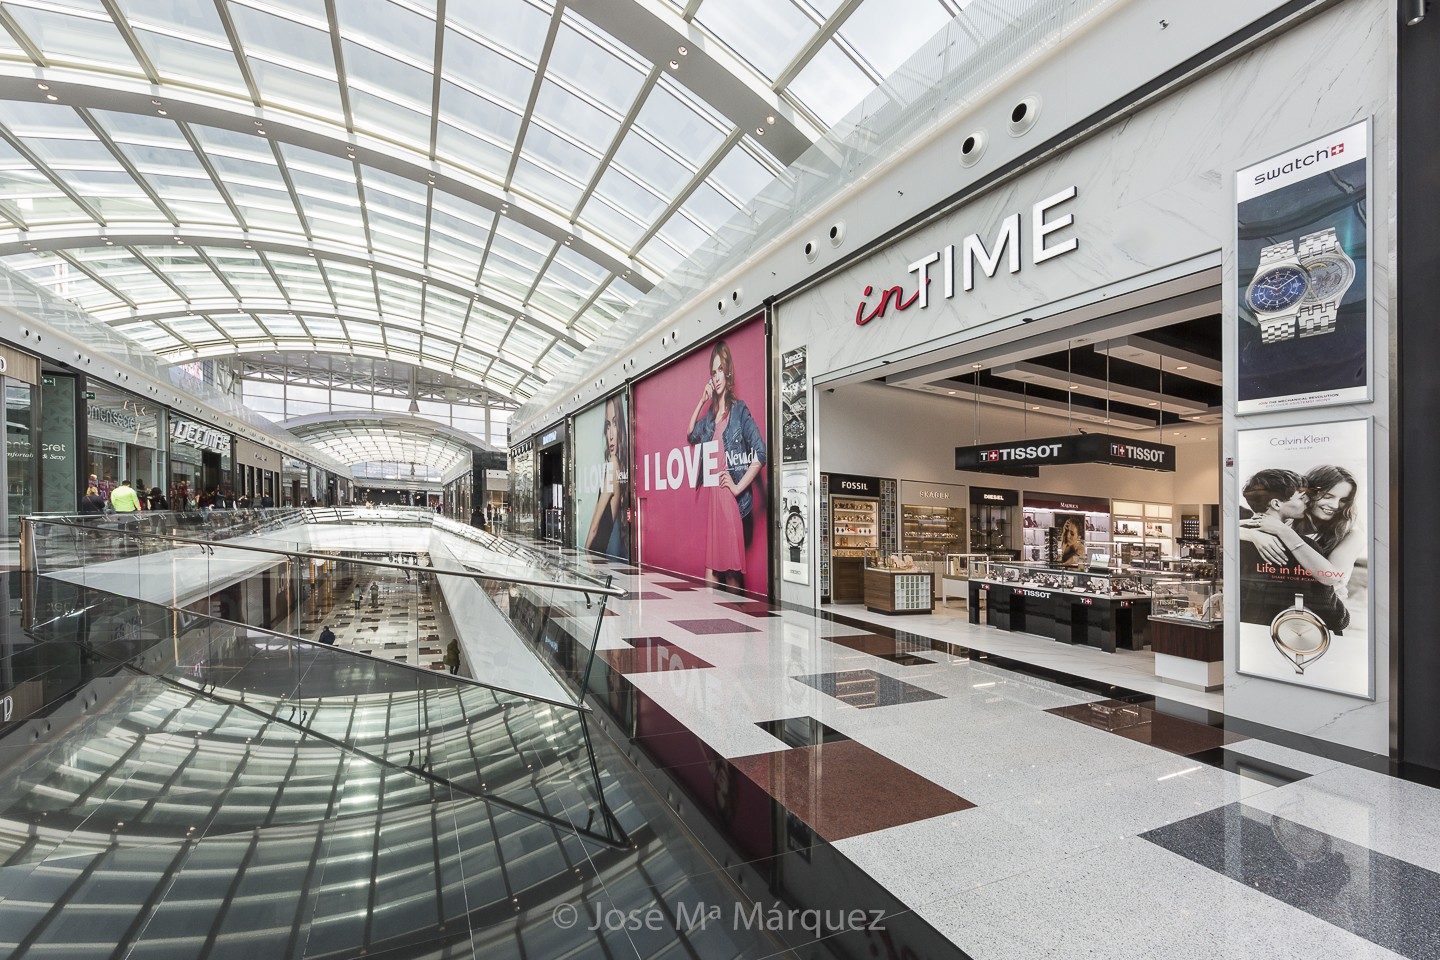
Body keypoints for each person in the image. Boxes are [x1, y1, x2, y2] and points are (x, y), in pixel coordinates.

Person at [686, 339, 767, 590]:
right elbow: (690, 435)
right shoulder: (710, 418)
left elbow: (761, 453)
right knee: (711, 570)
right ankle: (714, 624)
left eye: (721, 369)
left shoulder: (739, 410)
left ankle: (738, 625)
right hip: (713, 502)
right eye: (713, 372)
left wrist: (736, 486)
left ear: (728, 371)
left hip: (730, 502)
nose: (717, 376)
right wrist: (701, 401)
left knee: (732, 573)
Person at [1236, 468, 1348, 631]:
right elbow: (1334, 617)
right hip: (1292, 635)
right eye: (1302, 498)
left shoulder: (1235, 537)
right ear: (1275, 504)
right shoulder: (1303, 546)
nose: (1307, 502)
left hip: (1246, 629)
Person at [584, 395, 631, 559]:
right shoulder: (618, 466)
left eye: (615, 423)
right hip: (600, 558)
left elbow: (595, 527)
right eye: (607, 425)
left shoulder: (612, 465)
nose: (610, 435)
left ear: (622, 428)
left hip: (594, 556)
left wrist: (583, 555)